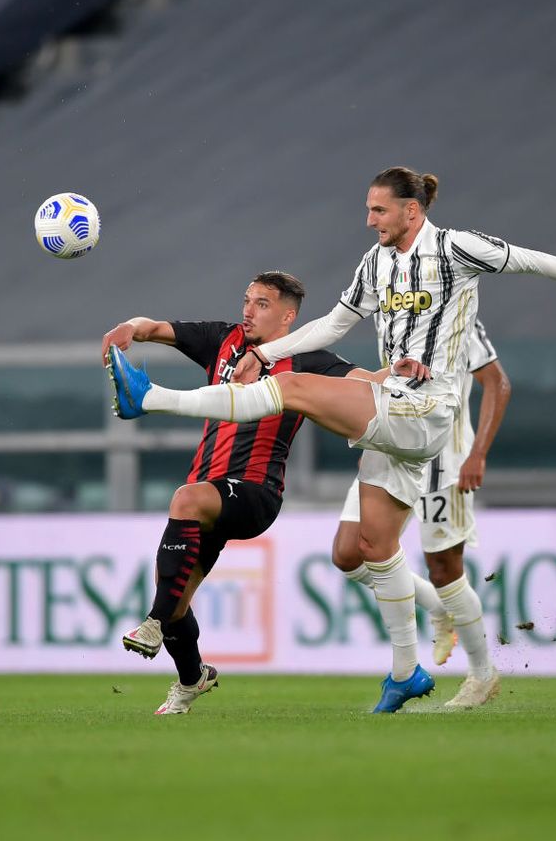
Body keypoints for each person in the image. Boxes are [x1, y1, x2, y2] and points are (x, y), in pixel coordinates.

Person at [106, 166, 556, 714]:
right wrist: (267, 352)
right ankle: (407, 672)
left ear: (412, 210)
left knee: (293, 388)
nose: (369, 219)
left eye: (379, 210)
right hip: (392, 408)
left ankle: (153, 398)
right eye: (369, 209)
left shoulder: (456, 249)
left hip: (426, 408)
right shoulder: (376, 263)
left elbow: (527, 259)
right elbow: (333, 324)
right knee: (361, 550)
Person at [102, 271, 386, 715]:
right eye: (247, 300)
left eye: (262, 304)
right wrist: (130, 328)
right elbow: (153, 327)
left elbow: (368, 382)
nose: (248, 310)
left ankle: (152, 624)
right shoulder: (224, 340)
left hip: (256, 493)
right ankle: (191, 678)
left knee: (184, 499)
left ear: (288, 316)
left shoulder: (310, 358)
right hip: (209, 492)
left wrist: (403, 372)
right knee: (173, 593)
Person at [332, 317, 511, 708]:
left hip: (444, 462)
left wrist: (478, 453)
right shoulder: (391, 314)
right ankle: (437, 609)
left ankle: (482, 675)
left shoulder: (457, 317)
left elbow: (497, 382)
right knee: (347, 553)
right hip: (389, 449)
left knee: (445, 570)